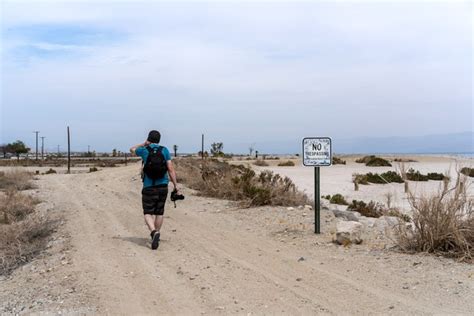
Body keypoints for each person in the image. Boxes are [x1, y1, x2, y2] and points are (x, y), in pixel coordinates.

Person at [130, 130, 179, 250]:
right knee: (159, 212)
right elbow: (170, 168)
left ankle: (153, 232)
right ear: (159, 139)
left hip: (148, 186)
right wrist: (176, 185)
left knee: (147, 212)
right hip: (162, 186)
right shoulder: (165, 150)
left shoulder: (144, 150)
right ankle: (156, 233)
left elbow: (131, 149)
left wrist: (143, 143)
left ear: (149, 139)